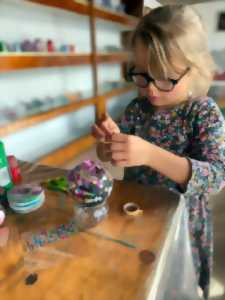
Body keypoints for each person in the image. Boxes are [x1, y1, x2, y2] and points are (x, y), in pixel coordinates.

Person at [92, 5, 225, 299]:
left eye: (165, 78)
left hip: (184, 223)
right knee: (140, 280)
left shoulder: (203, 113)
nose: (151, 90)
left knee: (176, 285)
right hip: (138, 216)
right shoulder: (137, 109)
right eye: (142, 75)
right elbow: (119, 157)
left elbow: (216, 178)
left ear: (196, 70)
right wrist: (108, 146)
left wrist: (151, 154)